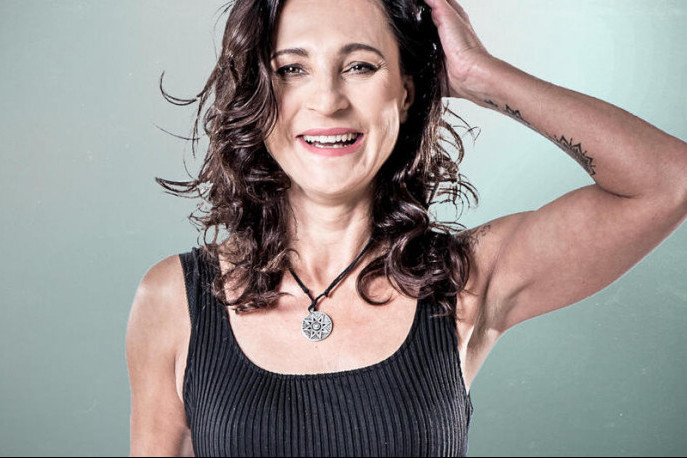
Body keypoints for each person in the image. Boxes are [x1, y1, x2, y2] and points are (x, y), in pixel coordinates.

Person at [125, 0, 687, 456]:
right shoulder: (174, 298)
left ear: (407, 90)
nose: (328, 100)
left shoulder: (466, 278)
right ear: (257, 93)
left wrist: (479, 75)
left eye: (360, 66)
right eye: (292, 69)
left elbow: (670, 181)